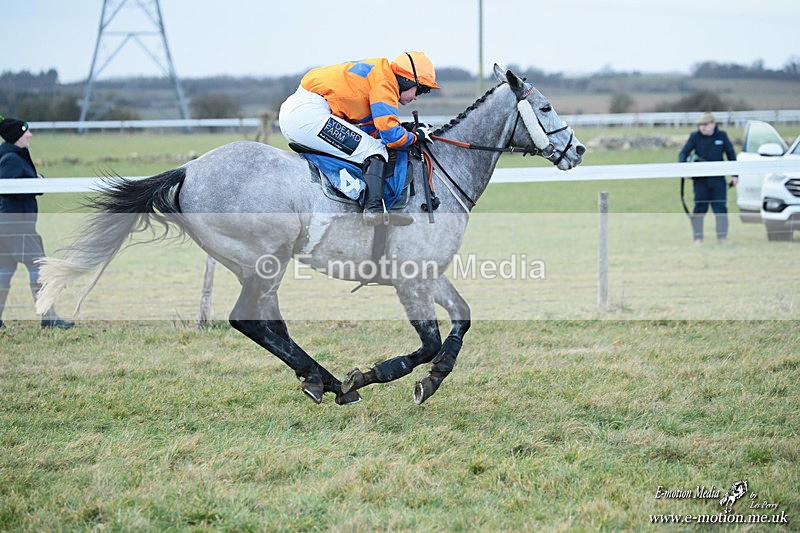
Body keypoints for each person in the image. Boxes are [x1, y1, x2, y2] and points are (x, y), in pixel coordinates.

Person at [279, 51, 440, 226]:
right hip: (307, 115)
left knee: (370, 146)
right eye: (421, 89)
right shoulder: (386, 84)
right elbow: (391, 137)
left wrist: (404, 130)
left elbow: (376, 131)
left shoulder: (381, 74)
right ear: (407, 79)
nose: (417, 96)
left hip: (300, 111)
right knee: (375, 150)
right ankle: (374, 209)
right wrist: (416, 136)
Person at [0, 116, 74, 329]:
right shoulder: (11, 159)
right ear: (16, 137)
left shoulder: (9, 154)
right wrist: (37, 183)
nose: (30, 135)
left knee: (4, 270)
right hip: (18, 224)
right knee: (39, 268)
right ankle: (49, 318)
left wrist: (34, 179)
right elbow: (13, 188)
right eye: (26, 132)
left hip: (7, 224)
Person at [678, 112, 738, 243]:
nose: (702, 127)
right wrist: (683, 169)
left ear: (713, 124)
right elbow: (683, 153)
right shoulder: (695, 137)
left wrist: (735, 175)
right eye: (700, 125)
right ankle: (698, 238)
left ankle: (722, 237)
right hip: (701, 181)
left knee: (720, 208)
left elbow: (731, 155)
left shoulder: (722, 136)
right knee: (700, 208)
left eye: (705, 124)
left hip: (718, 181)